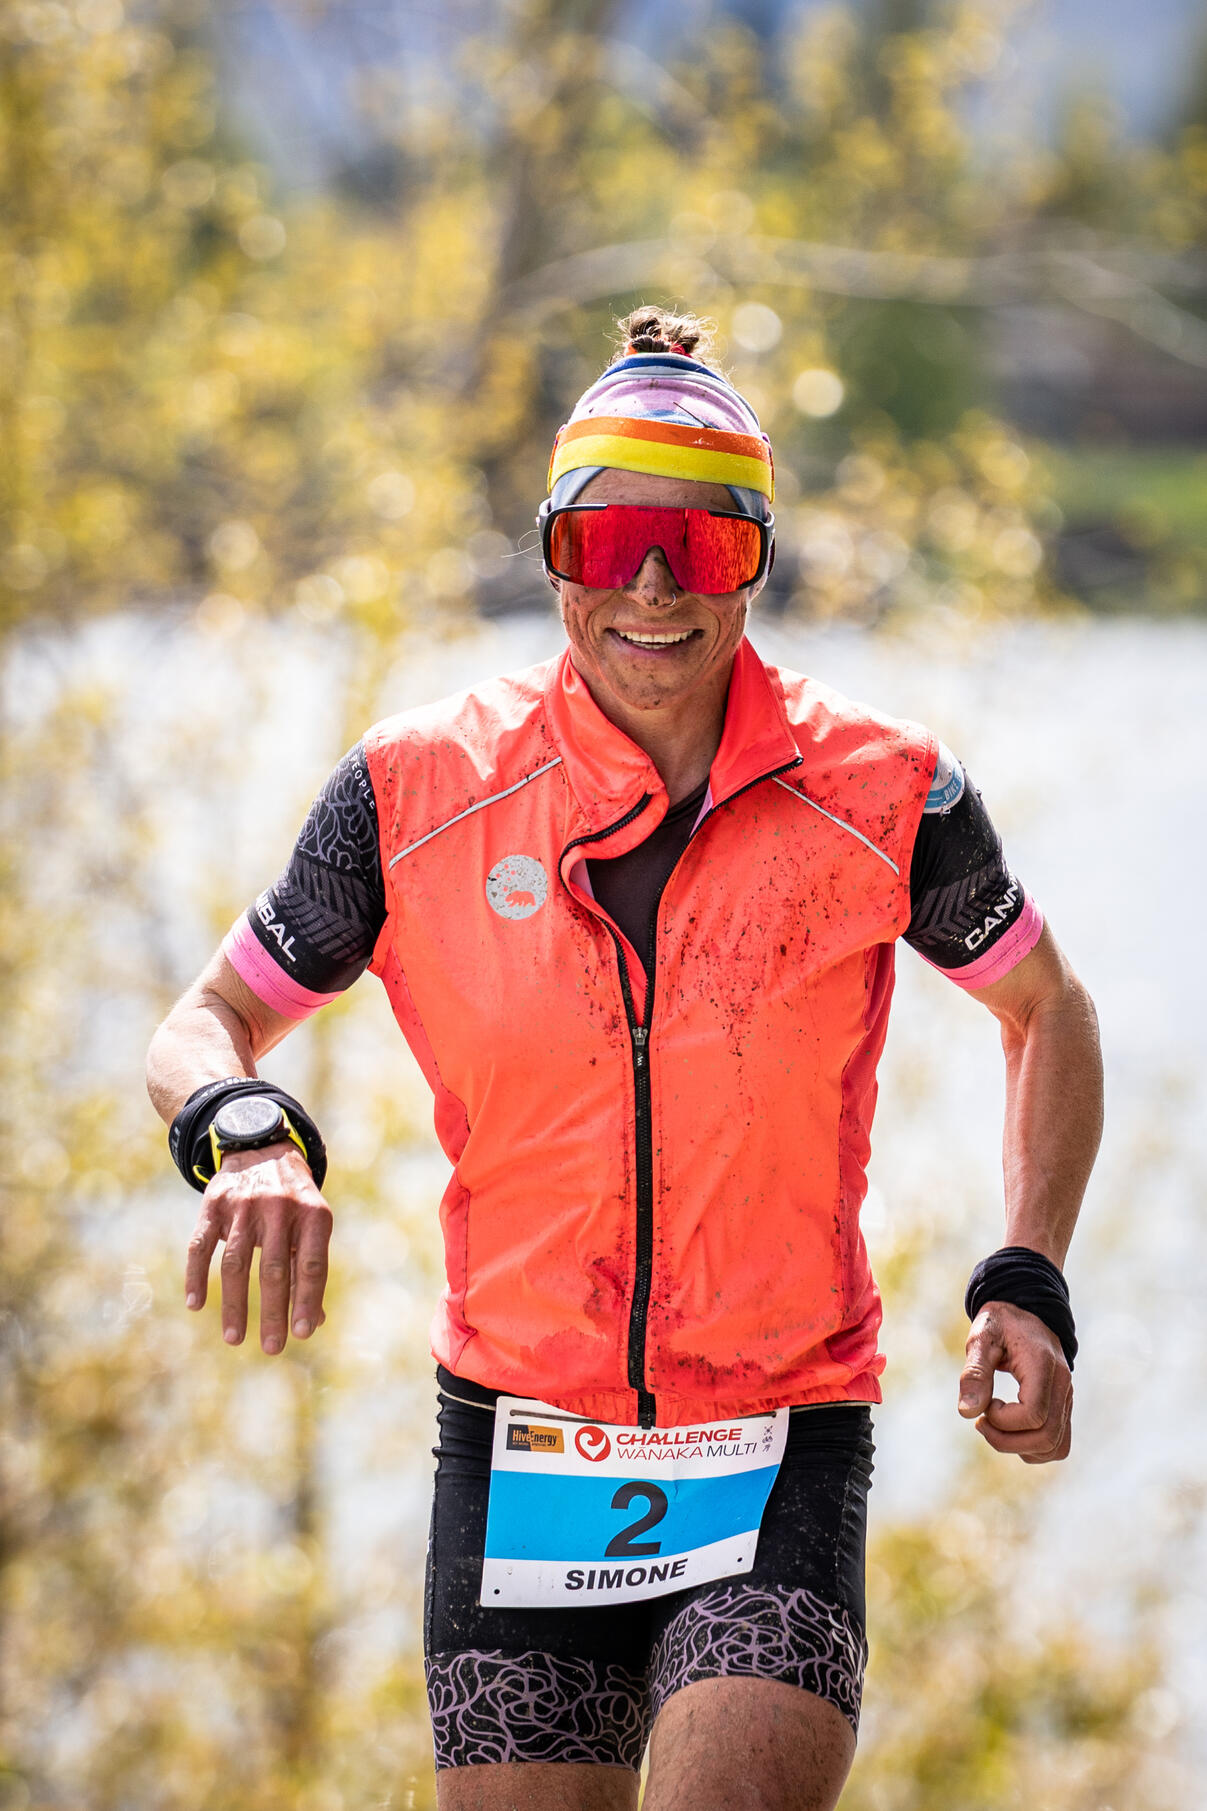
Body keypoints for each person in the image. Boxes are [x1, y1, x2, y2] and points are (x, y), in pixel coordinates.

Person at [147, 307, 1103, 1811]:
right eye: (608, 543)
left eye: (700, 544)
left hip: (780, 1431)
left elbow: (1049, 1010)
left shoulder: (887, 792)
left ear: (756, 561)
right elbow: (206, 1019)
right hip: (518, 1445)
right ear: (550, 556)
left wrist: (1028, 1271)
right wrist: (248, 1127)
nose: (651, 587)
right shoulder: (413, 792)